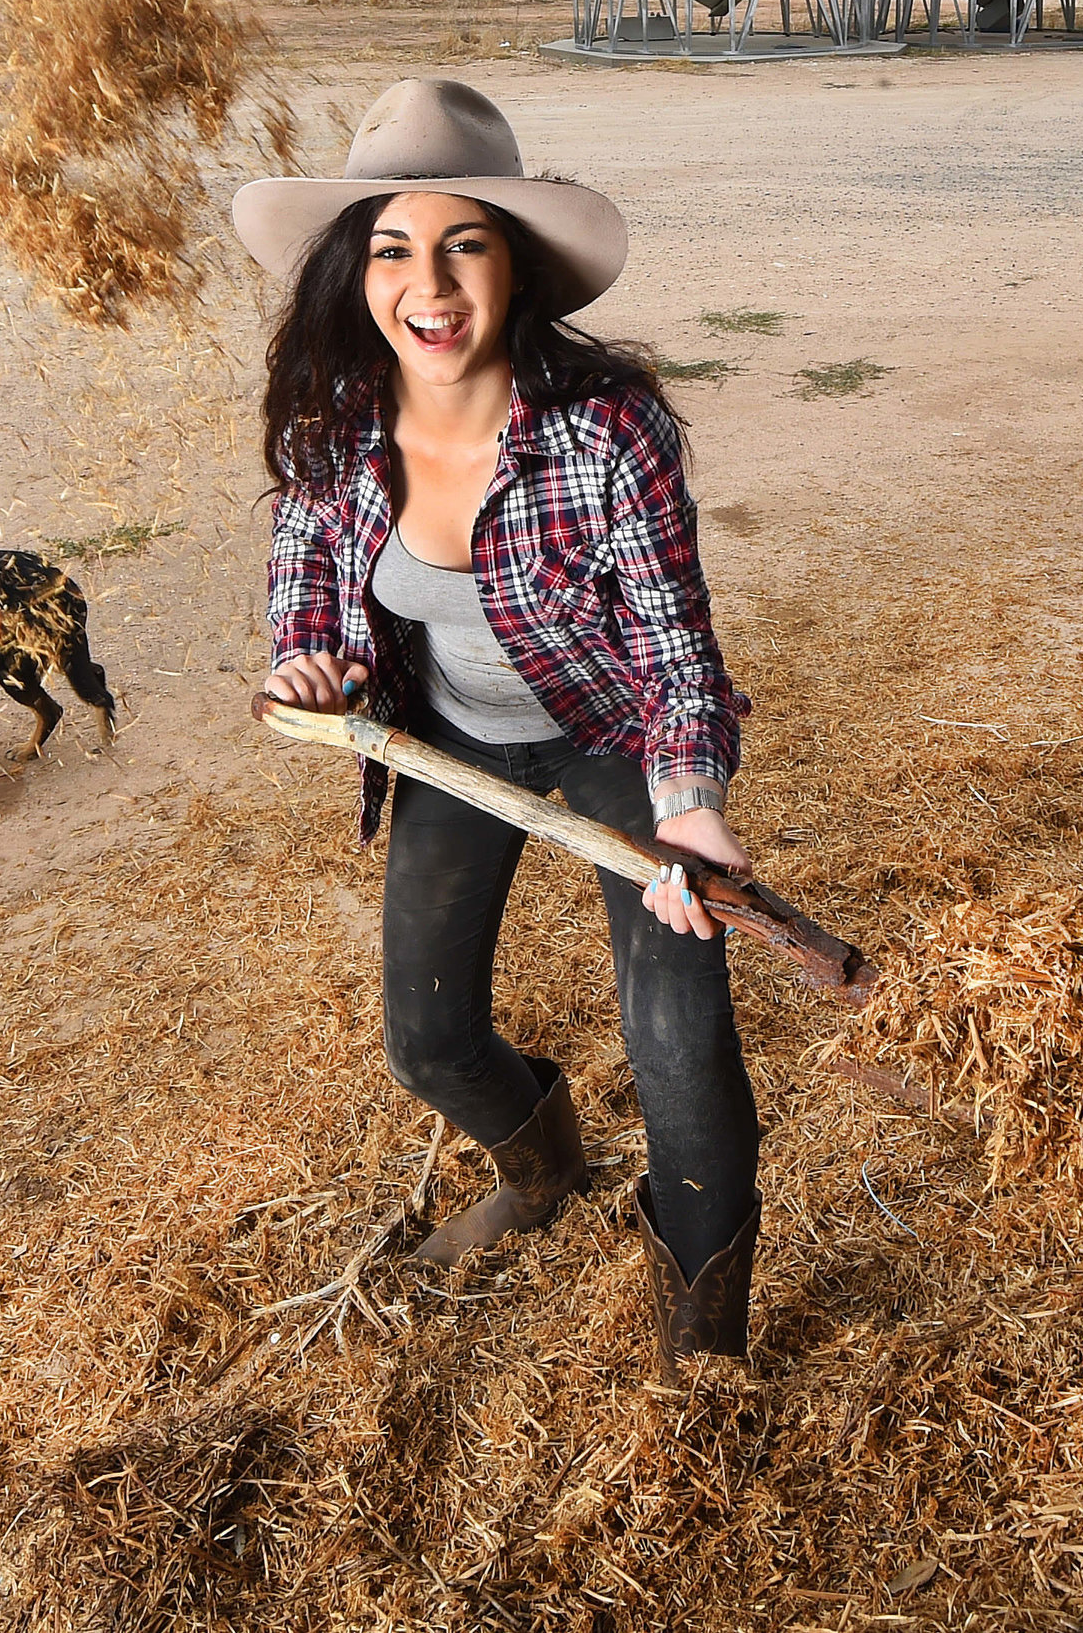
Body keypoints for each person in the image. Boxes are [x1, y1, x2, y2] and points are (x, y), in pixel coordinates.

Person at [234, 78, 762, 1372]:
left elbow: (673, 638)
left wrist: (688, 799)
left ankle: (704, 1338)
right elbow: (306, 567)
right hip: (453, 741)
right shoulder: (335, 419)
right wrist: (312, 665)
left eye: (465, 243)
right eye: (395, 247)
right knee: (427, 1036)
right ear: (358, 275)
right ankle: (542, 1164)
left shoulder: (605, 431)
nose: (433, 284)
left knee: (681, 1055)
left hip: (613, 740)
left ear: (515, 265)